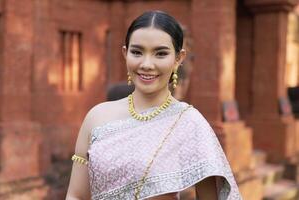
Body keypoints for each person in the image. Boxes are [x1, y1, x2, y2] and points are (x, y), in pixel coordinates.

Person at [66, 10, 242, 200]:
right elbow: (76, 195)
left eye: (160, 53)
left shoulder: (189, 123)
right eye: (137, 52)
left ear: (178, 58)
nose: (147, 64)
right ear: (125, 53)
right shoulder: (97, 117)